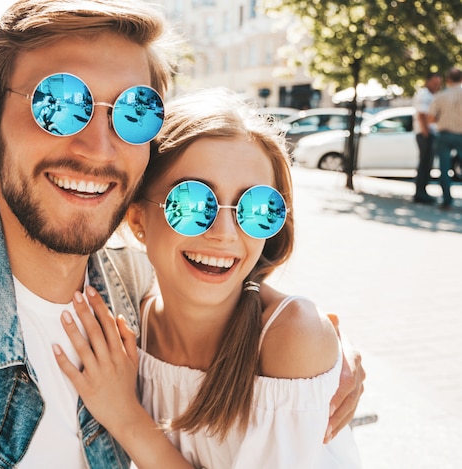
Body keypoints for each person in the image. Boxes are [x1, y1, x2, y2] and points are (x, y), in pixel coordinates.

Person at [0, 1, 363, 467]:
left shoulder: (134, 284)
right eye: (59, 103)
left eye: (135, 114)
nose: (98, 148)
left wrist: (321, 349)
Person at [55, 89, 362, 468]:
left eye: (257, 208)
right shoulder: (134, 314)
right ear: (137, 220)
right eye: (192, 204)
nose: (225, 233)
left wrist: (127, 418)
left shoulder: (292, 336)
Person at [429, 66, 462, 210]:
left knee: (444, 168)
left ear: (448, 79)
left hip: (444, 134)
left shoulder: (441, 96)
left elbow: (430, 119)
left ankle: (447, 201)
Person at [412, 71, 442, 204]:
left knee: (427, 164)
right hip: (426, 134)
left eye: (438, 84)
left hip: (429, 133)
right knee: (424, 164)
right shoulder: (424, 94)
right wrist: (426, 133)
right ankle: (420, 194)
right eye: (435, 83)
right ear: (428, 81)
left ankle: (422, 192)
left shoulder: (431, 94)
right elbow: (421, 115)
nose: (437, 86)